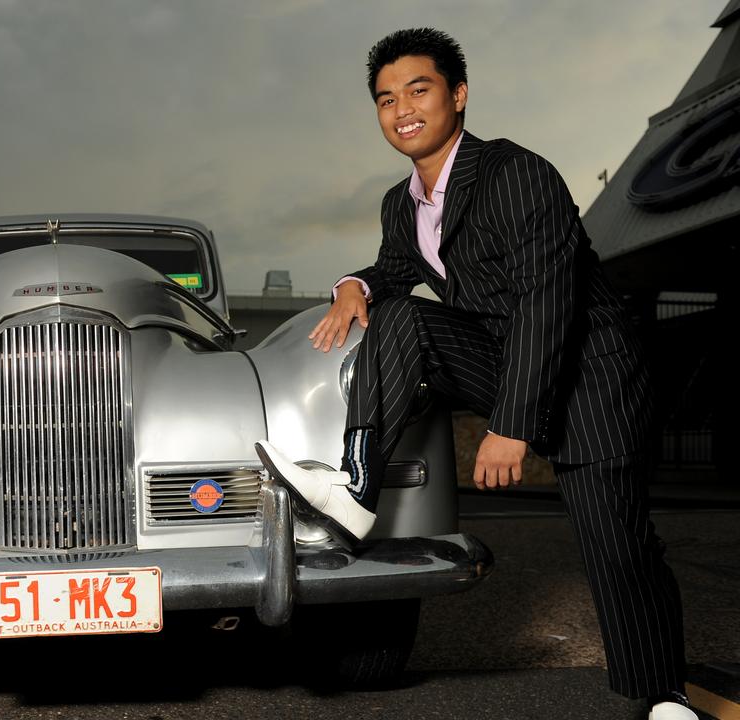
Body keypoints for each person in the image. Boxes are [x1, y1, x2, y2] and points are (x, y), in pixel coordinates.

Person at [254, 28, 695, 720]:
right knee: (398, 315)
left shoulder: (517, 173)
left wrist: (509, 427)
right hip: (500, 353)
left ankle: (663, 694)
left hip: (590, 375)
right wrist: (352, 284)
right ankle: (357, 484)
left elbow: (549, 305)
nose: (401, 108)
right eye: (385, 98)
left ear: (458, 95)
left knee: (616, 546)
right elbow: (395, 273)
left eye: (419, 90)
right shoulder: (402, 204)